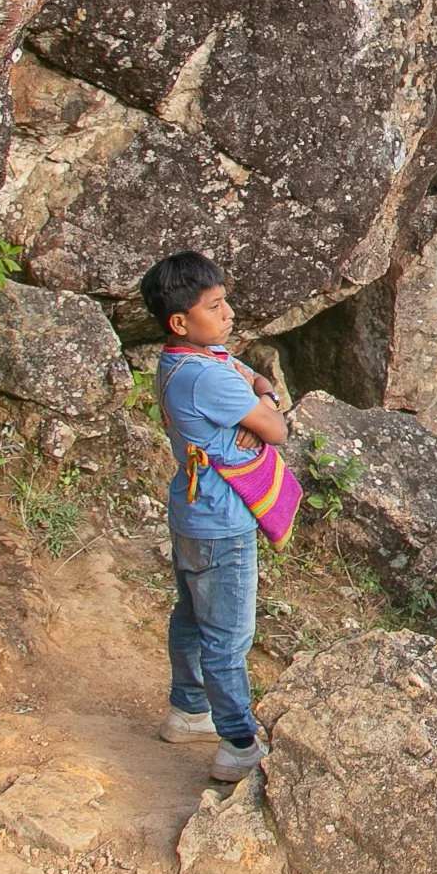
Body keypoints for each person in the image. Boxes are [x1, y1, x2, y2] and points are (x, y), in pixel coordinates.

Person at [139, 251, 287, 783]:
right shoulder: (208, 378)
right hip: (224, 520)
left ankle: (188, 710)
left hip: (191, 509)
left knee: (190, 616)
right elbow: (278, 432)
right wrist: (265, 412)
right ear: (181, 321)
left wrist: (262, 394)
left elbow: (246, 370)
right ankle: (237, 744)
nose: (228, 315)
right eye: (215, 306)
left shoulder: (185, 359)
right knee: (228, 634)